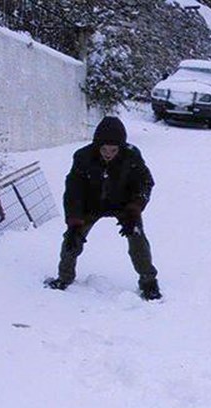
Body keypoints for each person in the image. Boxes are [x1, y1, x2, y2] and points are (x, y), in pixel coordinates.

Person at [47, 116, 162, 300]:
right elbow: (73, 190)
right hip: (91, 205)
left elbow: (145, 182)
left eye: (113, 150)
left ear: (120, 148)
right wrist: (74, 220)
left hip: (124, 205)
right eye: (104, 149)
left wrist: (134, 210)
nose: (109, 154)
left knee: (137, 238)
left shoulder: (132, 156)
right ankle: (64, 277)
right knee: (72, 239)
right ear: (97, 146)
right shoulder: (83, 157)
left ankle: (149, 282)